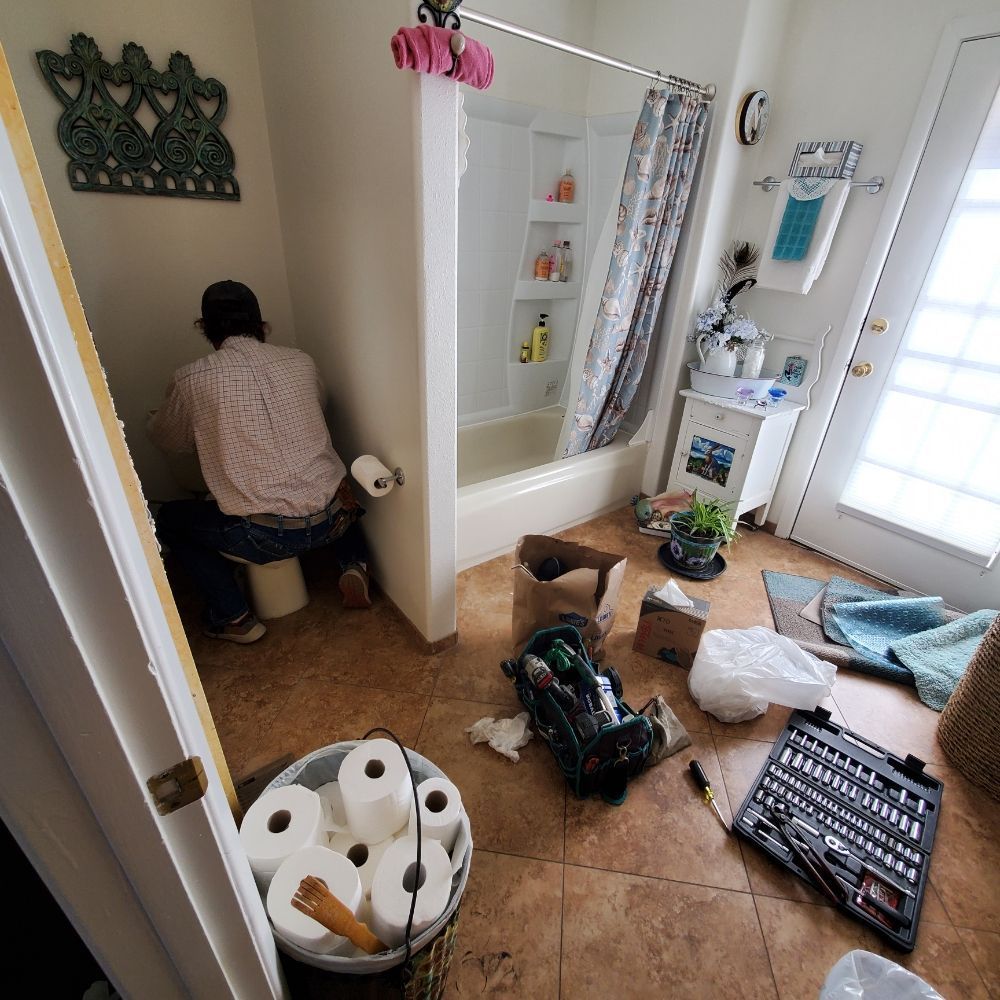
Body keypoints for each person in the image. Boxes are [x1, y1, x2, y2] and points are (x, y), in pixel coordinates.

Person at [149, 280, 370, 643]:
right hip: (334, 519)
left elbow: (168, 442)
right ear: (261, 325)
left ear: (204, 328)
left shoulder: (191, 378)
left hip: (263, 536)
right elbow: (319, 407)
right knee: (334, 484)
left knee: (170, 520)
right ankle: (353, 562)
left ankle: (232, 615)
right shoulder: (301, 361)